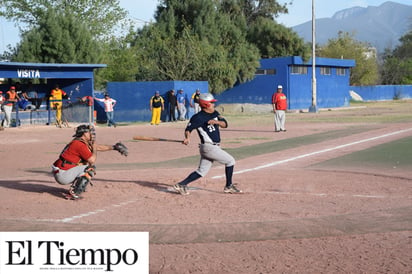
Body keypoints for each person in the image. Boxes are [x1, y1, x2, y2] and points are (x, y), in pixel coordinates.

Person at [173, 93, 242, 195]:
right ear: (205, 105)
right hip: (209, 147)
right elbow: (188, 129)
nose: (213, 105)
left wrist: (216, 122)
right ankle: (228, 186)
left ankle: (182, 184)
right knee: (230, 161)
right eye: (211, 103)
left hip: (213, 147)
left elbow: (225, 124)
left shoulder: (215, 113)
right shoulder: (198, 117)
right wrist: (187, 138)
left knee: (202, 171)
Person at [51, 124, 128, 200]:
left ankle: (77, 186)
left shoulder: (78, 141)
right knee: (90, 168)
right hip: (63, 175)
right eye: (89, 132)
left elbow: (97, 147)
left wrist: (114, 147)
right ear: (84, 134)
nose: (92, 134)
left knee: (84, 164)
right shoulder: (79, 145)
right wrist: (94, 149)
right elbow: (92, 160)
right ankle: (74, 193)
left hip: (62, 170)